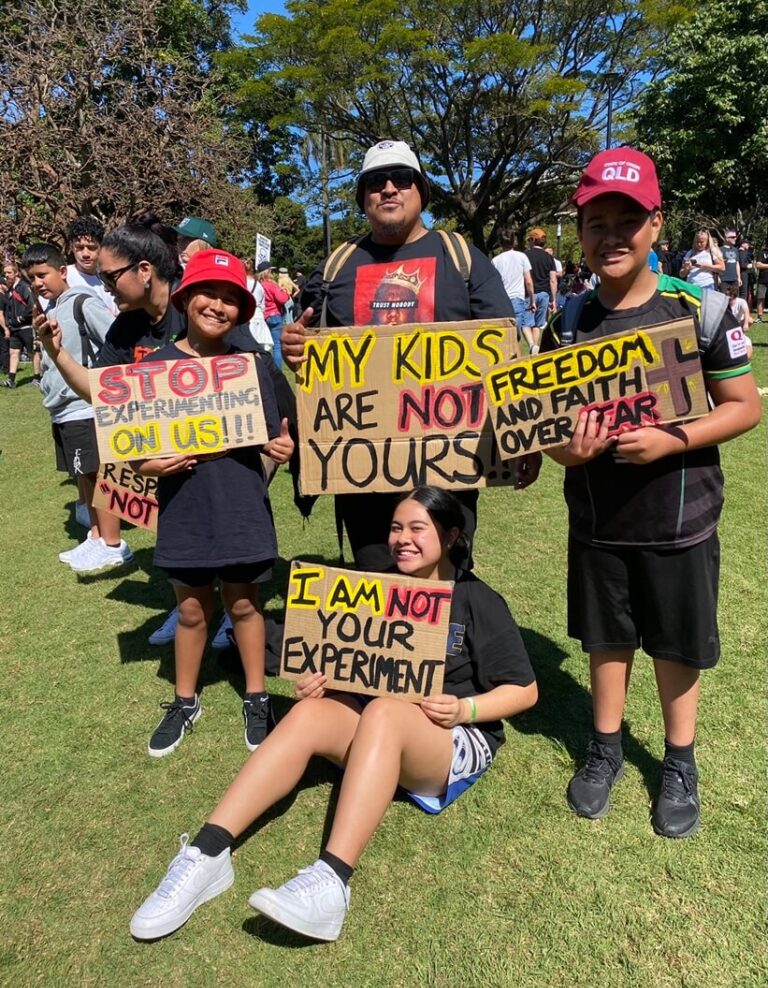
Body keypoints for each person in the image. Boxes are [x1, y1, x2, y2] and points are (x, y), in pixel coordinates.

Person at [129, 485, 537, 942]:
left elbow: (525, 691)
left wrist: (466, 707)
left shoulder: (475, 598)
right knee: (308, 713)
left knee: (383, 711)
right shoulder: (372, 587)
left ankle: (332, 882)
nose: (402, 538)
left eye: (418, 529)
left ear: (451, 535)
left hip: (452, 738)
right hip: (382, 728)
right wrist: (320, 682)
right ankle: (205, 855)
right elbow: (361, 665)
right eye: (396, 528)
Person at [542, 146, 760, 839]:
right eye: (596, 222)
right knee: (607, 638)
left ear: (656, 225)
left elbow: (744, 406)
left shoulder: (702, 309)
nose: (612, 236)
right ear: (580, 232)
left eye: (627, 221)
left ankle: (679, 760)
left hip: (681, 517)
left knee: (676, 641)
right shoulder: (566, 324)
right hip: (599, 520)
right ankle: (604, 748)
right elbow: (547, 429)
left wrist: (675, 440)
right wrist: (563, 449)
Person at [282, 139, 540, 573]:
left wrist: (523, 436)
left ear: (421, 190)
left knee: (444, 585)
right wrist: (296, 348)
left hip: (448, 468)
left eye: (402, 179)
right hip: (361, 471)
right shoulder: (337, 266)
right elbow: (312, 350)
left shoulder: (462, 258)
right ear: (363, 196)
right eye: (375, 182)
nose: (388, 188)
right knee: (377, 586)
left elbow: (505, 355)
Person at [129, 249, 293, 757]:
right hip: (185, 509)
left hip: (242, 503)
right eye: (209, 294)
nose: (218, 306)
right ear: (185, 298)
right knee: (193, 610)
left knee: (245, 603)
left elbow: (272, 437)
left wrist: (279, 452)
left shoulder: (251, 366)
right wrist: (149, 467)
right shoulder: (153, 368)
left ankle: (257, 696)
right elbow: (135, 454)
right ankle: (184, 700)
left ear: (242, 312)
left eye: (230, 299)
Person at [22, 243, 130, 570]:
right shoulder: (51, 311)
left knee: (98, 473)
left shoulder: (82, 302)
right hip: (63, 409)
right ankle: (96, 537)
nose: (38, 283)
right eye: (32, 278)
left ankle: (113, 544)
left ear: (62, 271)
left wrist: (100, 381)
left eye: (43, 274)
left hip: (85, 406)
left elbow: (114, 337)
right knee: (83, 473)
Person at [492, 229, 536, 351]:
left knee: (509, 334)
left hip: (502, 300)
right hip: (517, 297)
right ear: (514, 241)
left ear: (500, 242)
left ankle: (515, 354)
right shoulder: (522, 257)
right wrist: (532, 300)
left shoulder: (495, 261)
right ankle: (531, 345)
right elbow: (528, 281)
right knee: (519, 329)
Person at [65, 216, 119, 315]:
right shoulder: (64, 277)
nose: (85, 254)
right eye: (80, 248)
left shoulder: (106, 281)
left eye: (91, 248)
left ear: (101, 248)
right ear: (72, 247)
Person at [2, 261, 40, 388]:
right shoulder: (10, 290)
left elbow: (31, 305)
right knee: (13, 352)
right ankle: (11, 380)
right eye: (5, 273)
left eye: (9, 272)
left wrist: (20, 318)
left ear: (16, 273)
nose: (6, 275)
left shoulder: (23, 287)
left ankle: (37, 378)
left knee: (32, 352)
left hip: (26, 327)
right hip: (14, 329)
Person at [523, 228, 557, 353]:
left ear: (532, 240)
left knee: (525, 323)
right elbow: (553, 279)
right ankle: (534, 348)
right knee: (538, 324)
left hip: (528, 293)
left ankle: (532, 345)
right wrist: (553, 299)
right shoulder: (549, 258)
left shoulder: (525, 255)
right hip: (544, 294)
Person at [257, 262, 290, 368]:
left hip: (264, 316)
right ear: (268, 272)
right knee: (277, 346)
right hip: (275, 315)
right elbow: (282, 299)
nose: (273, 273)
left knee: (265, 345)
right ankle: (277, 371)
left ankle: (264, 367)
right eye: (271, 271)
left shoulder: (259, 285)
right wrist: (285, 292)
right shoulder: (271, 285)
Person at [718, 229, 741, 295]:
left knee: (735, 299)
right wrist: (718, 277)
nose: (735, 238)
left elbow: (737, 264)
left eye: (735, 237)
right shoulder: (720, 250)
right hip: (724, 279)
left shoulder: (735, 250)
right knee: (724, 299)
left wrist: (739, 278)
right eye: (733, 237)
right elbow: (718, 265)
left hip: (734, 279)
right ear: (727, 238)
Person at [755, 241, 768, 322]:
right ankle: (759, 317)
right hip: (763, 279)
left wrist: (764, 265)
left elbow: (761, 265)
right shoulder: (762, 253)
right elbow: (758, 265)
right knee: (761, 297)